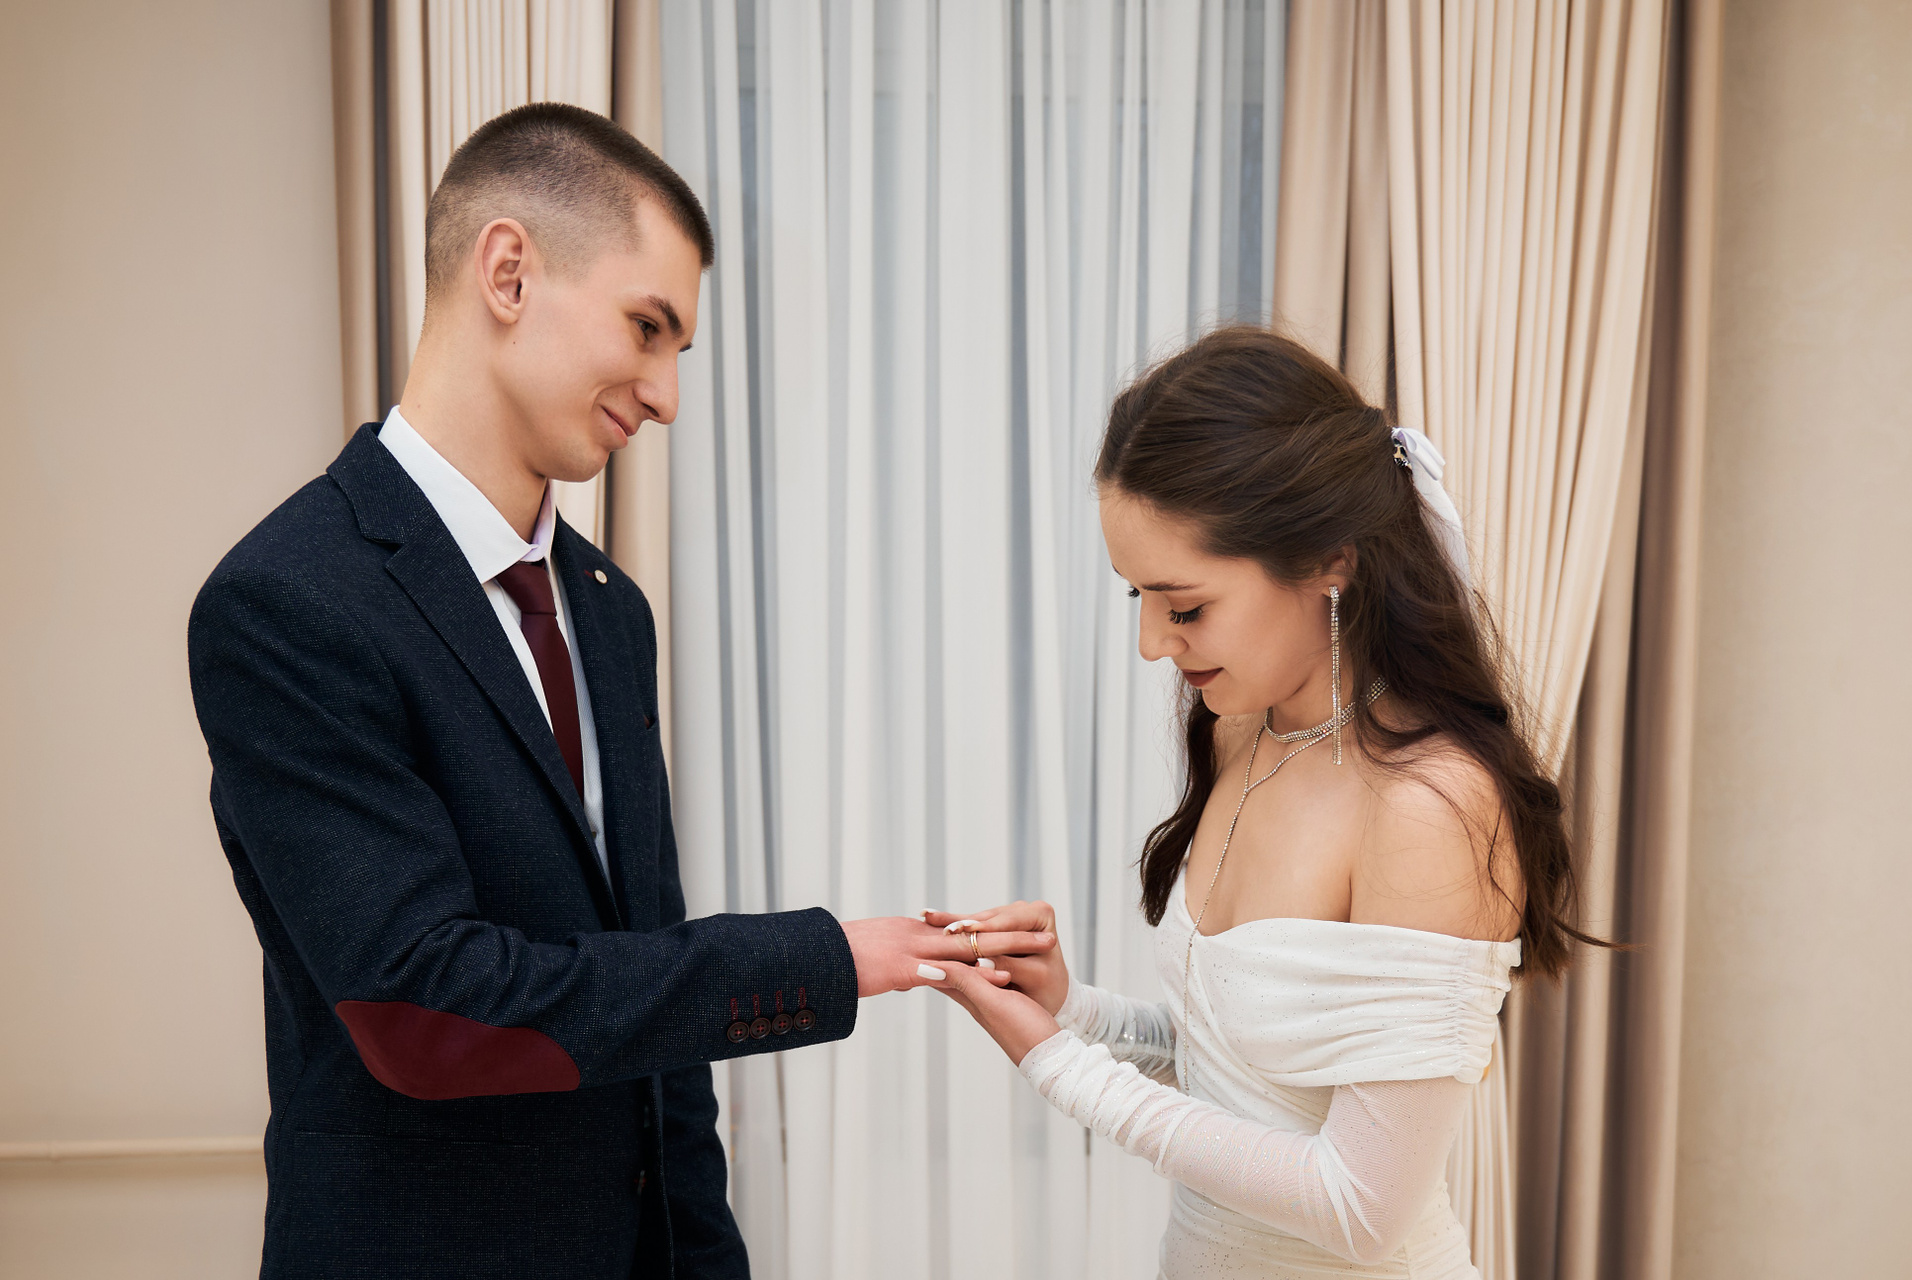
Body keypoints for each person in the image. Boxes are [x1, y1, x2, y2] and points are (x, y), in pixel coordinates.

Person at [187, 103, 1039, 1280]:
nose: (667, 394)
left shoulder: (608, 608)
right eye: (648, 328)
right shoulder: (287, 600)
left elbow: (655, 1025)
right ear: (507, 271)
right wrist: (822, 956)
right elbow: (428, 1013)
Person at [921, 326, 1604, 1278]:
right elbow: (1239, 1071)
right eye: (1136, 598)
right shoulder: (1245, 731)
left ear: (1331, 560)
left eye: (1185, 605)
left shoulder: (1431, 806)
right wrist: (1073, 1010)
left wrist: (1058, 1065)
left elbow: (1360, 1209)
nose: (1155, 644)